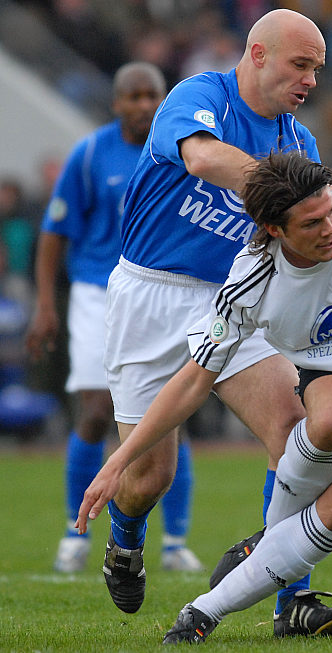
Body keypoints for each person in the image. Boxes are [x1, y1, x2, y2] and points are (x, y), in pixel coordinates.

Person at [76, 151, 332, 642]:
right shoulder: (253, 279)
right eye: (312, 223)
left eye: (329, 212)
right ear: (273, 230)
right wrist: (117, 461)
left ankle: (202, 612)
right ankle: (276, 565)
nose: (330, 228)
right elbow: (194, 380)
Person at [90, 10, 332, 628]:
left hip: (230, 299)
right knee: (149, 476)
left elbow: (310, 234)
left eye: (317, 70)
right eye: (299, 64)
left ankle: (291, 601)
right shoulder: (201, 95)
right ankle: (125, 537)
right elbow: (201, 160)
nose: (309, 80)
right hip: (148, 293)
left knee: (295, 431)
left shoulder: (298, 143)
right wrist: (285, 193)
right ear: (257, 54)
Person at [25, 62, 204, 574]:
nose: (145, 104)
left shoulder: (181, 149)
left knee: (171, 416)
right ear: (116, 103)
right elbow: (54, 232)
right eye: (134, 96)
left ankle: (174, 540)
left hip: (164, 291)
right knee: (97, 410)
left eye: (154, 95)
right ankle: (74, 530)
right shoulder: (89, 155)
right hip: (95, 293)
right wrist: (44, 305)